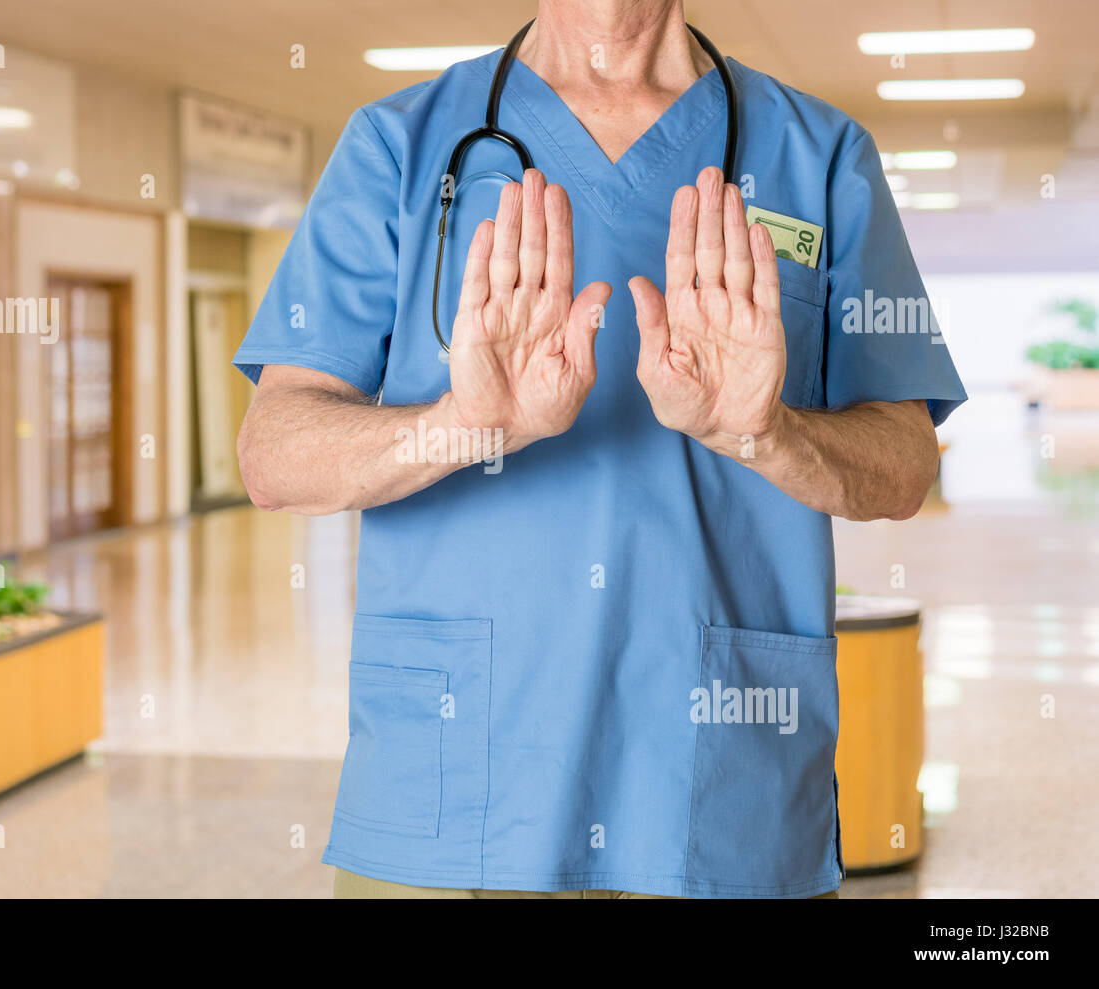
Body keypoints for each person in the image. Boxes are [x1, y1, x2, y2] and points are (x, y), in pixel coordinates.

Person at [234, 0, 965, 898]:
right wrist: (467, 424)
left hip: (719, 791)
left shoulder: (817, 154)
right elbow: (273, 453)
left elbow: (903, 464)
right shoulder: (400, 145)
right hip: (460, 792)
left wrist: (766, 431)